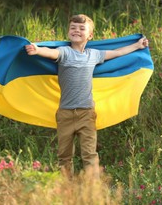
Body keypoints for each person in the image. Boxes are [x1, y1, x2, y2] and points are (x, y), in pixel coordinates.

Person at [25, 14, 149, 178]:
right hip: (65, 114)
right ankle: (66, 191)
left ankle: (93, 191)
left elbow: (117, 53)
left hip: (87, 113)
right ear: (68, 31)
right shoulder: (65, 52)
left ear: (90, 35)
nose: (76, 30)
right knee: (64, 156)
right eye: (73, 28)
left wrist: (137, 45)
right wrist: (37, 50)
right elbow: (50, 53)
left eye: (81, 28)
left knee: (89, 155)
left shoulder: (94, 55)